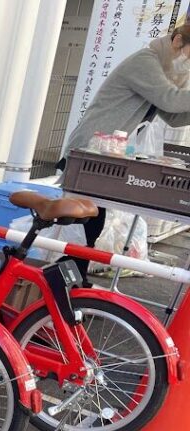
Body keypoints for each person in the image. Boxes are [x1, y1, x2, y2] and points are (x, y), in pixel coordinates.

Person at [60, 22, 190, 285]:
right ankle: (69, 285)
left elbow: (173, 116)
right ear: (177, 41)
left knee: (90, 221)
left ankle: (73, 284)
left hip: (104, 153)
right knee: (84, 222)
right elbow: (170, 99)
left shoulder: (161, 69)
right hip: (88, 151)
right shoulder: (146, 61)